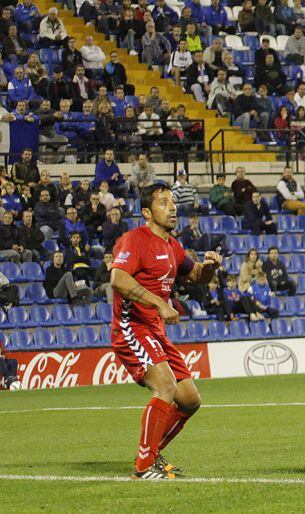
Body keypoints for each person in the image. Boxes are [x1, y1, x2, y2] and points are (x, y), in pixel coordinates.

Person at [109, 182, 222, 479]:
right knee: (166, 387)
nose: (172, 207)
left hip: (155, 332)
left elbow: (196, 274)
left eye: (172, 202)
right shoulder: (134, 240)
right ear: (147, 212)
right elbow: (118, 279)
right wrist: (159, 303)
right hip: (131, 328)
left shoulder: (172, 245)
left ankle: (152, 453)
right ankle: (143, 466)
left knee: (189, 400)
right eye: (163, 202)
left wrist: (210, 267)